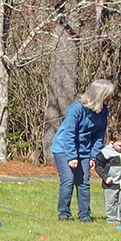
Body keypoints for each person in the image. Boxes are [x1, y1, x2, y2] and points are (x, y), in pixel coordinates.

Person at [50, 79, 114, 222]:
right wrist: (72, 156)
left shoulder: (103, 111)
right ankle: (64, 214)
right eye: (107, 95)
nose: (109, 98)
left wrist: (93, 156)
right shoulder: (76, 109)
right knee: (68, 180)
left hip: (84, 150)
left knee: (83, 182)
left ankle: (84, 215)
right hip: (64, 148)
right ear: (99, 94)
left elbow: (99, 135)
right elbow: (69, 133)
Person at [93, 129, 121, 225]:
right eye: (120, 146)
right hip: (111, 181)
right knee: (111, 201)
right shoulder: (105, 152)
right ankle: (112, 219)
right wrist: (105, 177)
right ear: (112, 142)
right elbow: (98, 165)